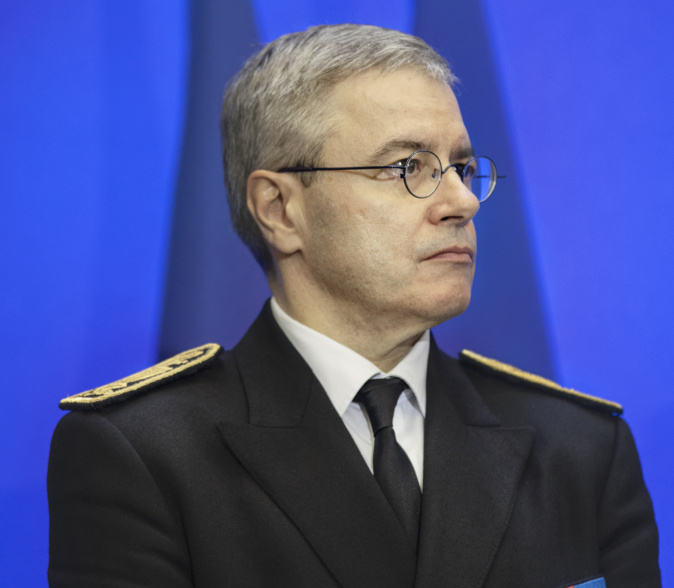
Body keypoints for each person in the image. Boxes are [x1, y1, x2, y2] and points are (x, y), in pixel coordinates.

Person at [47, 24, 660, 587]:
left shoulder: (581, 450)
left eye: (461, 167)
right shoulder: (141, 455)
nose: (462, 202)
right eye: (407, 166)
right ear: (280, 210)